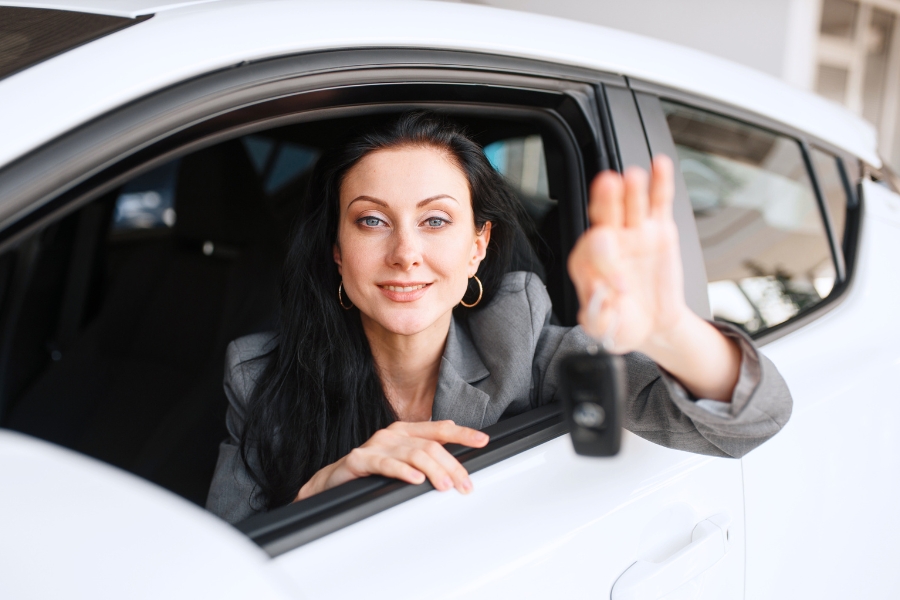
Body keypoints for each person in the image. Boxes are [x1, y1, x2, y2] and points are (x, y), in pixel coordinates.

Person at [206, 112, 792, 523]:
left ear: (478, 245)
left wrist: (670, 330)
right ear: (336, 248)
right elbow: (215, 564)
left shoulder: (524, 348)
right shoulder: (259, 380)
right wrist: (318, 496)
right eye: (372, 221)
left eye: (435, 221)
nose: (406, 252)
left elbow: (752, 423)